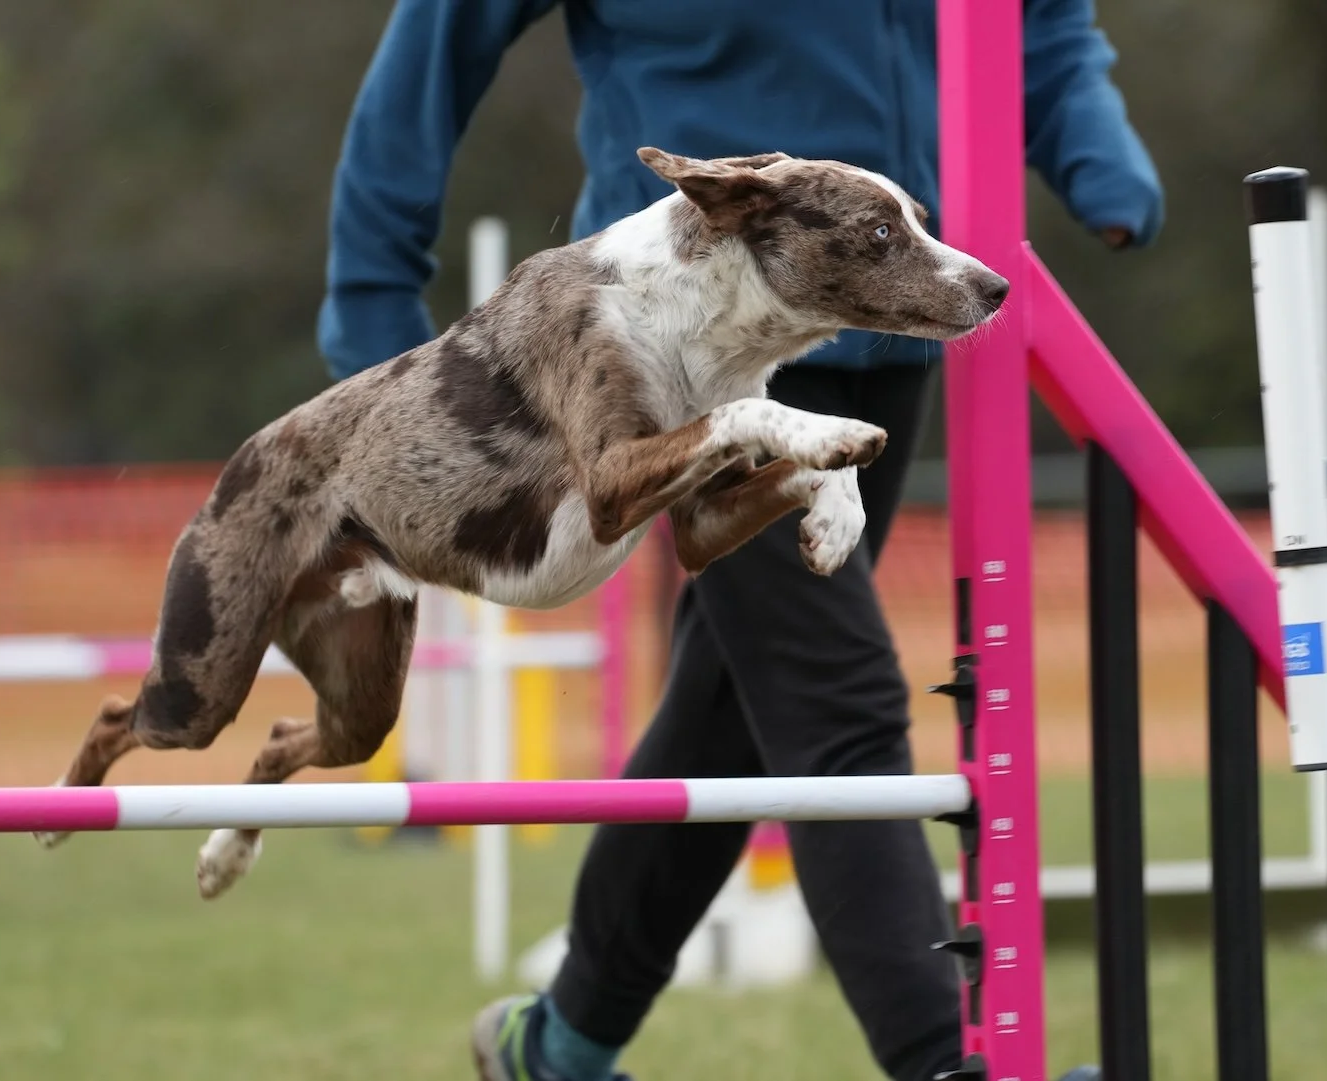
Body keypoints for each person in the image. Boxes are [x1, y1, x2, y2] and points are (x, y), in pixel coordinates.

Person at [317, 2, 1163, 1079]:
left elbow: (1035, 21)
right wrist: (372, 293)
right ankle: (948, 1063)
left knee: (733, 720)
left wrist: (1091, 144)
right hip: (690, 341)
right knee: (838, 706)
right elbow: (439, 43)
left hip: (883, 329)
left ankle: (559, 1044)